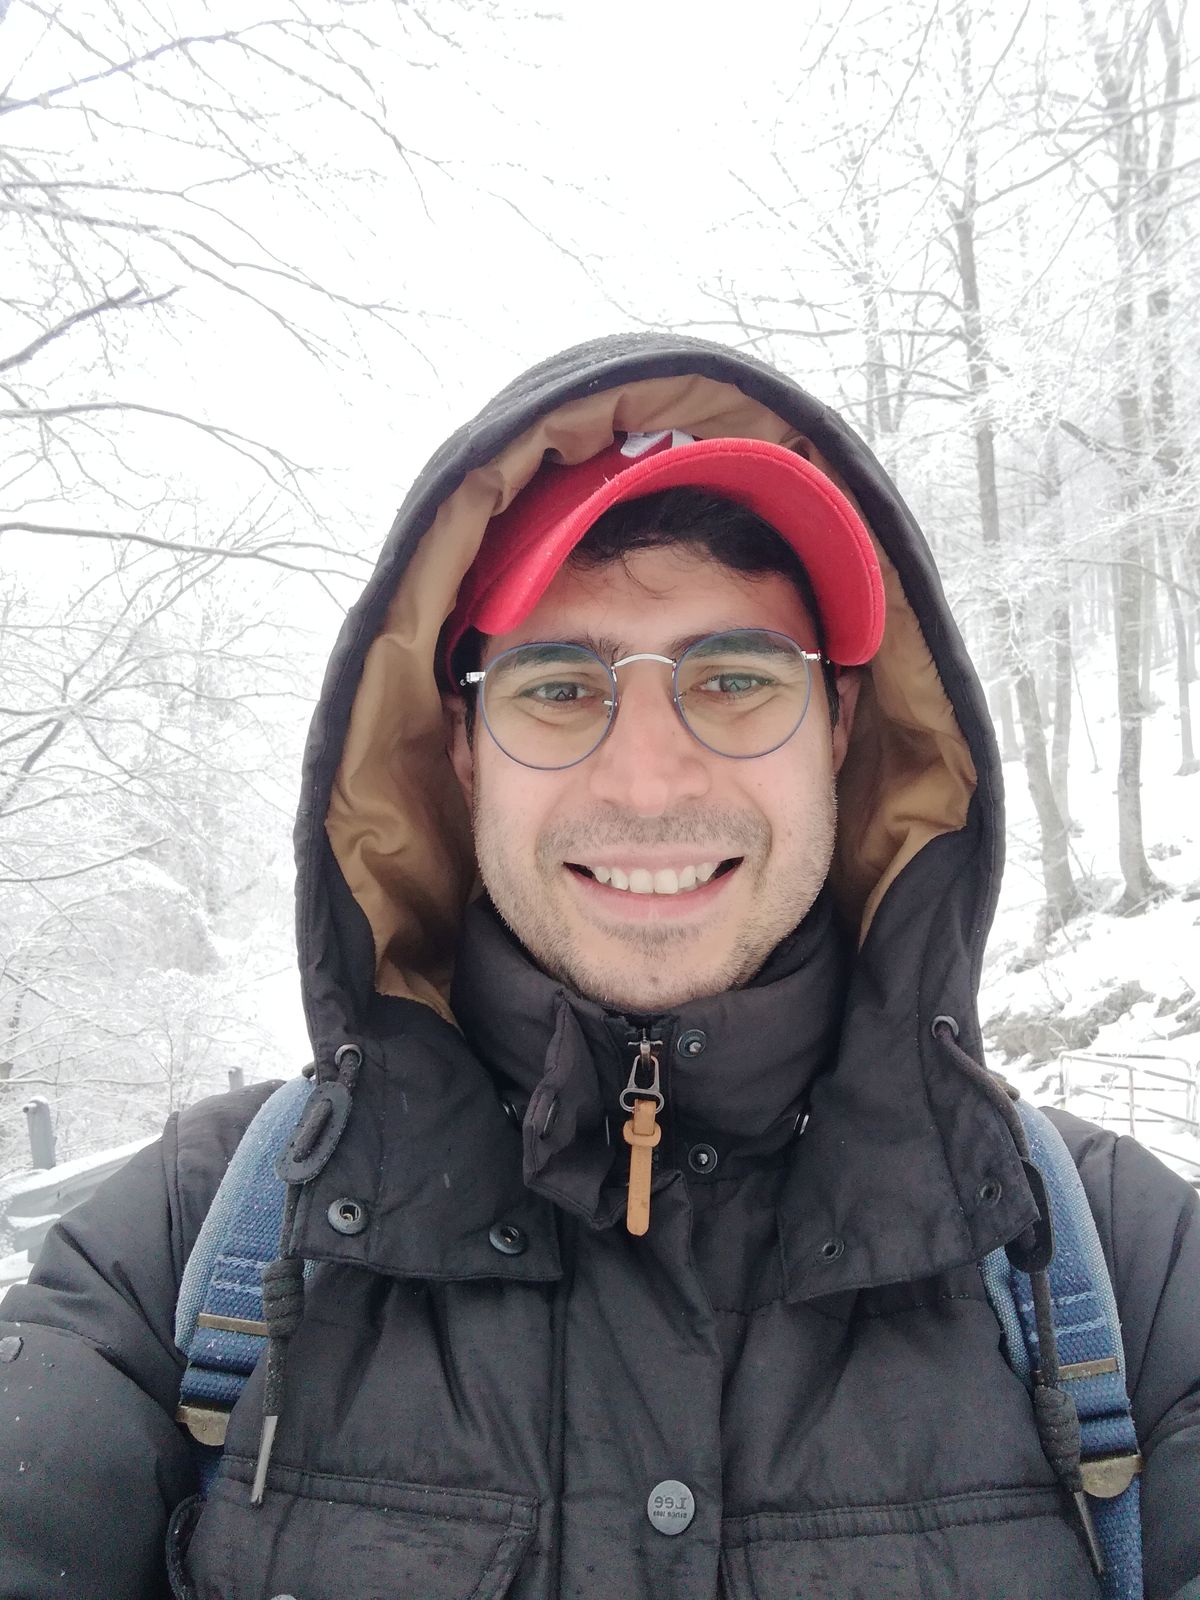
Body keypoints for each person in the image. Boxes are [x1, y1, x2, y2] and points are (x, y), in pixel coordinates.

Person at [1, 334, 1197, 1600]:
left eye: (736, 679)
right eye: (560, 688)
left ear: (842, 730)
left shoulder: (1114, 1270)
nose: (647, 778)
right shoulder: (190, 1246)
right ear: (460, 748)